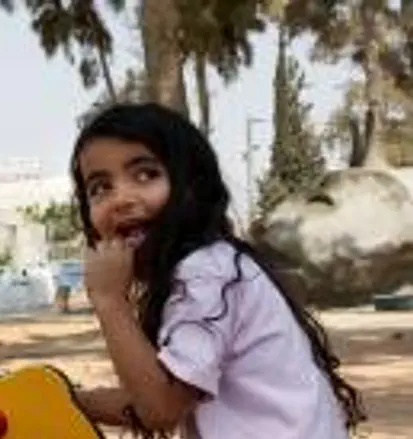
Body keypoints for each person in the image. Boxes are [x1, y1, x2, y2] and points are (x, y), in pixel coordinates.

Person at [70, 103, 366, 438]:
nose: (121, 198)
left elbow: (161, 406)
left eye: (145, 174)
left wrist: (109, 300)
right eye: (99, 188)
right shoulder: (212, 266)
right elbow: (156, 395)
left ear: (191, 185)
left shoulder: (206, 273)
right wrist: (64, 397)